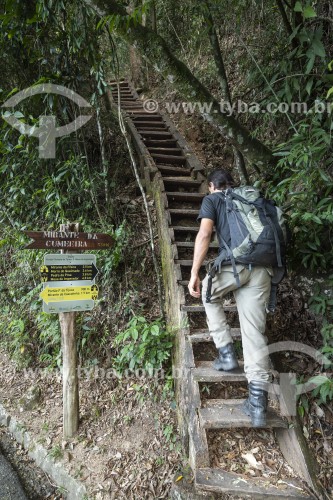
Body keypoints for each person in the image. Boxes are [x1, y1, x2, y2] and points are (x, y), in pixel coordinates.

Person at [188, 169, 272, 427]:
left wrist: (194, 273)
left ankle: (225, 352)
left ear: (212, 185)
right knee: (254, 332)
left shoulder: (212, 199)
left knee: (207, 293)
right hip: (263, 270)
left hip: (236, 265)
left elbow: (204, 234)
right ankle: (257, 405)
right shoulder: (250, 198)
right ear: (232, 184)